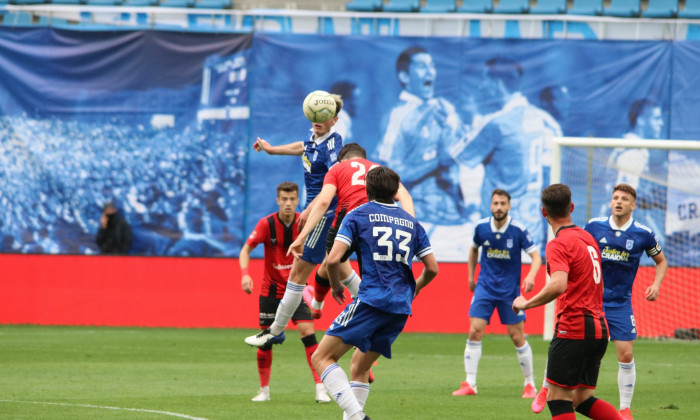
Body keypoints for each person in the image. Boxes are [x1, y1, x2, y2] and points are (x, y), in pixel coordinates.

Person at [311, 166, 439, 420]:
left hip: (371, 301)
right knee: (359, 366)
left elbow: (334, 260)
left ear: (367, 190)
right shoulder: (412, 223)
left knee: (321, 357)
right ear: (395, 191)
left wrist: (336, 285)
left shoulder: (358, 215)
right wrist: (414, 289)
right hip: (400, 309)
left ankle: (359, 417)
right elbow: (433, 269)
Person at [513, 184, 622, 420]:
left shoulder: (558, 244)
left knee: (558, 399)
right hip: (599, 328)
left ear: (544, 212)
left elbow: (558, 284)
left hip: (574, 327)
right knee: (581, 399)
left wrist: (526, 303)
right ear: (571, 207)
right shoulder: (588, 238)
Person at [244, 94, 345, 347]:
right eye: (316, 116)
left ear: (334, 120)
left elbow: (332, 184)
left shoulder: (333, 144)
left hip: (325, 212)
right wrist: (271, 150)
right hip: (315, 211)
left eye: (324, 117)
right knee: (342, 269)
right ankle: (370, 315)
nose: (317, 120)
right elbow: (300, 147)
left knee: (297, 275)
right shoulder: (313, 138)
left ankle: (275, 330)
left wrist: (310, 210)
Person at [288, 142, 414, 319]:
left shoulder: (337, 169)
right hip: (378, 223)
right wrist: (410, 226)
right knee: (371, 275)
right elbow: (405, 196)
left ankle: (318, 304)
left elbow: (323, 202)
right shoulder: (380, 169)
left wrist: (302, 237)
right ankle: (366, 308)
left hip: (347, 220)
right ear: (364, 157)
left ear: (341, 160)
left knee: (331, 260)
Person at [450, 57, 561, 251]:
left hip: (501, 228)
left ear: (498, 84)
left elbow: (457, 155)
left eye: (486, 80)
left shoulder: (497, 123)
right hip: (534, 228)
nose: (482, 87)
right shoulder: (547, 122)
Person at [374, 45, 469, 261]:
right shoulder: (399, 117)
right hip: (423, 221)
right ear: (405, 76)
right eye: (422, 66)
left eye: (432, 65)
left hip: (457, 220)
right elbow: (387, 176)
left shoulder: (445, 109)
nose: (430, 72)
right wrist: (437, 162)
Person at [239, 182, 330, 403]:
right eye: (284, 199)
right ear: (278, 200)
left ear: (298, 200)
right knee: (266, 341)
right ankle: (264, 390)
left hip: (296, 289)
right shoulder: (266, 224)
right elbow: (246, 249)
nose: (288, 203)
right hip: (270, 291)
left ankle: (320, 388)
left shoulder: (306, 222)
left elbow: (323, 252)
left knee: (308, 335)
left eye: (292, 199)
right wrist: (245, 274)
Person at [583, 183, 667, 419]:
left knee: (626, 355)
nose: (619, 201)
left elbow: (662, 261)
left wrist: (656, 285)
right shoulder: (593, 226)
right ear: (610, 202)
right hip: (590, 302)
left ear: (633, 205)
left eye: (624, 199)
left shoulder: (643, 234)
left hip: (620, 303)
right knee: (580, 350)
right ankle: (555, 391)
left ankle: (625, 409)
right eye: (615, 198)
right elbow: (577, 252)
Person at [452, 189, 542, 398]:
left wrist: (531, 276)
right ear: (490, 205)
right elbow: (474, 249)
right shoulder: (481, 228)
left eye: (503, 203)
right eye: (495, 203)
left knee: (517, 336)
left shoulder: (518, 230)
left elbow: (536, 257)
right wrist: (470, 276)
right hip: (485, 287)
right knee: (474, 331)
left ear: (509, 206)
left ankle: (530, 385)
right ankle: (470, 384)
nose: (499, 207)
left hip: (510, 292)